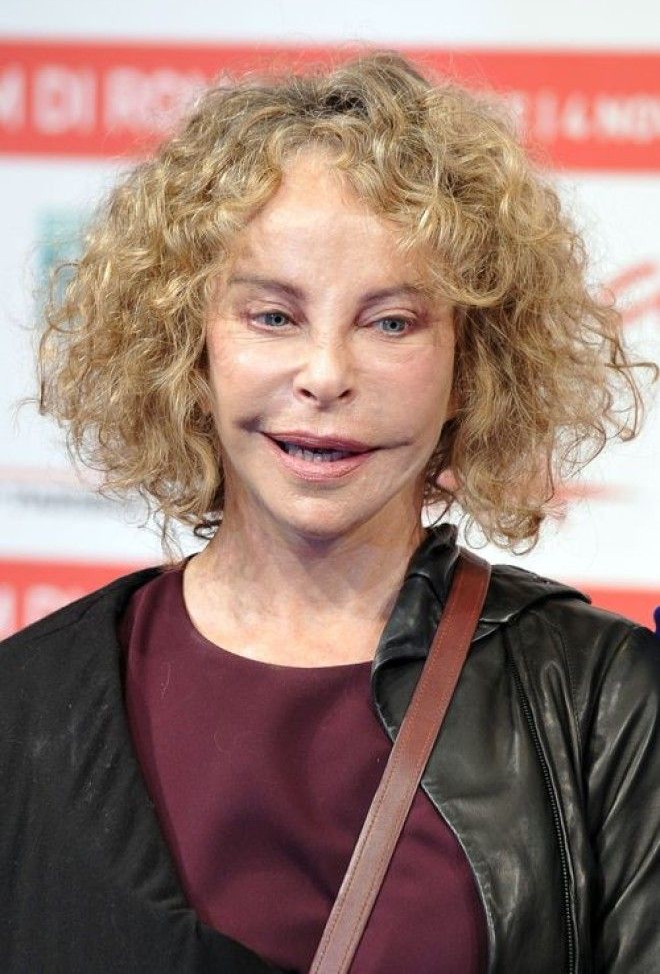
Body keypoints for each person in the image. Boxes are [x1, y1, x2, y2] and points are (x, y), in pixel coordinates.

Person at [1, 50, 658, 974]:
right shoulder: (28, 700)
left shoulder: (603, 701)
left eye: (391, 322)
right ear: (186, 342)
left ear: (472, 364)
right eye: (273, 315)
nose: (326, 374)